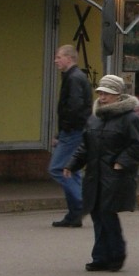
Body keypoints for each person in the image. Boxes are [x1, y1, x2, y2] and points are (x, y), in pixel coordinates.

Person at [63, 74, 139, 272]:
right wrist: (71, 164)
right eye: (100, 92)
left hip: (114, 177)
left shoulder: (129, 118)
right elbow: (85, 145)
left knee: (107, 215)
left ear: (118, 95)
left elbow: (136, 147)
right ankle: (100, 257)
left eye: (107, 93)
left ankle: (115, 255)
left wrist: (120, 163)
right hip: (94, 176)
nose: (102, 97)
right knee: (97, 215)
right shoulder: (95, 118)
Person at [49, 44, 93, 228]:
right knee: (71, 170)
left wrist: (65, 130)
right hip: (74, 130)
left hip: (74, 131)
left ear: (69, 58)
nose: (56, 60)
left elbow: (74, 107)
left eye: (59, 57)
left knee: (58, 168)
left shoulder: (73, 78)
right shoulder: (74, 77)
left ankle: (81, 203)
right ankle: (74, 215)